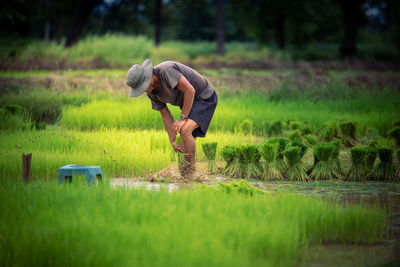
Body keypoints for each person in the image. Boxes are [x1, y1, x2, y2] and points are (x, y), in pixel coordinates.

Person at [126, 59, 218, 178]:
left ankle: (192, 174)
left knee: (185, 130)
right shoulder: (152, 93)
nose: (143, 92)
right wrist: (172, 140)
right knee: (182, 141)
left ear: (148, 81)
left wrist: (182, 118)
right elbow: (165, 114)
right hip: (189, 103)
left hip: (204, 97)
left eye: (142, 88)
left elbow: (190, 90)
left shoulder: (166, 71)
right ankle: (185, 176)